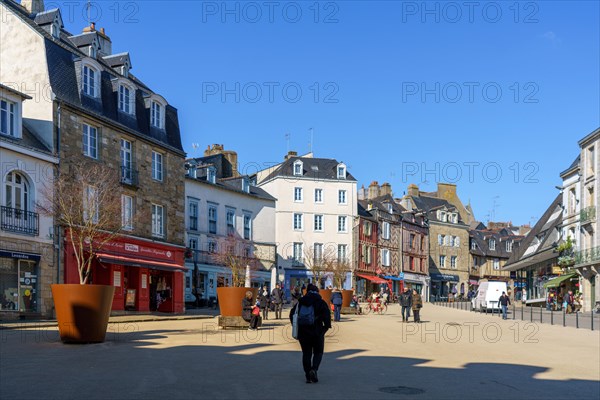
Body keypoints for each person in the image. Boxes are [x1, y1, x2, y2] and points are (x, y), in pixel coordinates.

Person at [289, 284, 331, 383]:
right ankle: (314, 369)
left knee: (306, 353)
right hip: (317, 331)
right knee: (318, 352)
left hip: (303, 331)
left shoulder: (300, 302)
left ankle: (308, 375)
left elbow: (292, 314)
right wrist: (325, 328)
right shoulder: (320, 302)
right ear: (317, 292)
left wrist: (296, 326)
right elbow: (327, 316)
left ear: (307, 292)